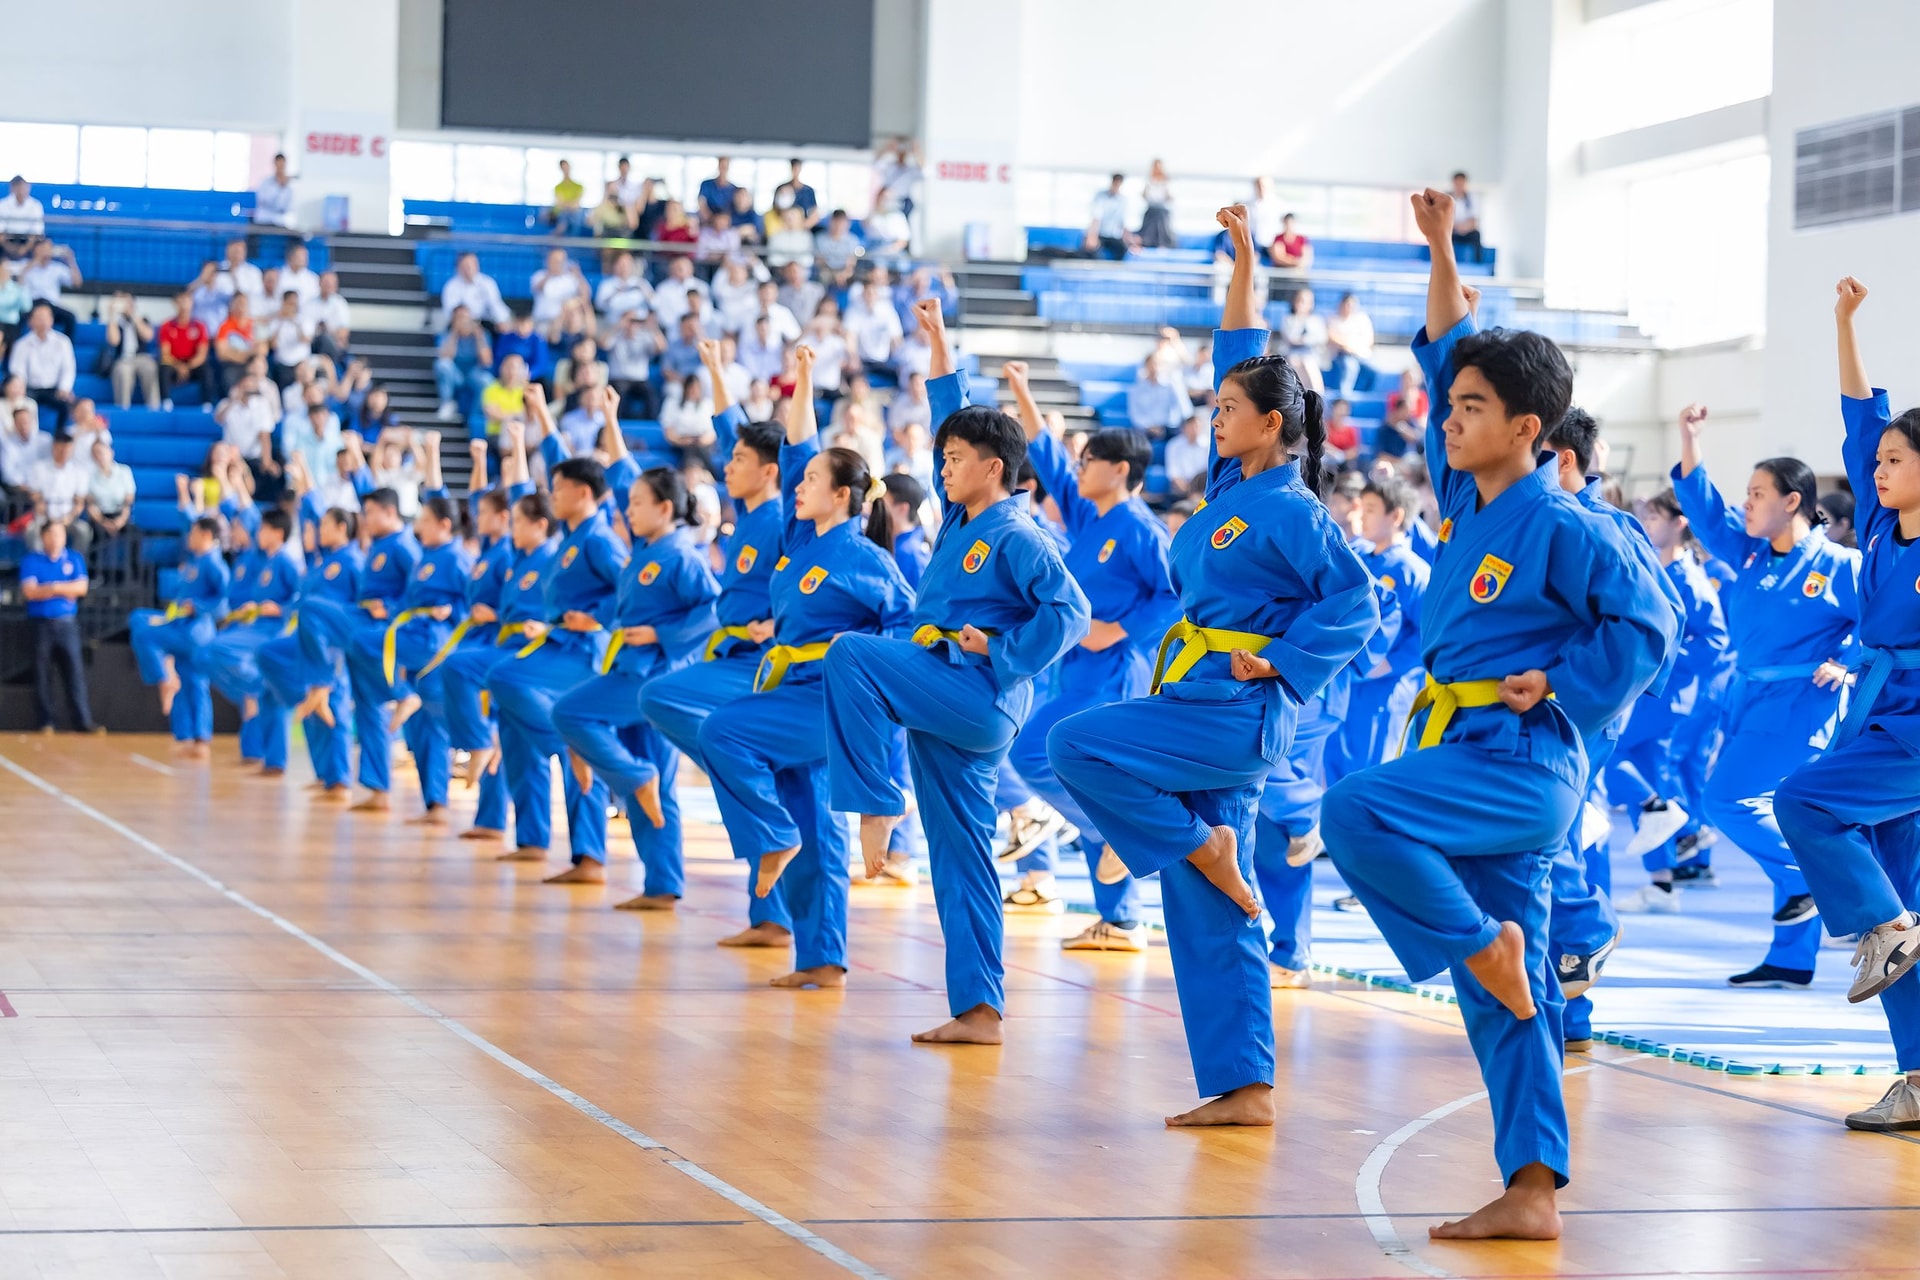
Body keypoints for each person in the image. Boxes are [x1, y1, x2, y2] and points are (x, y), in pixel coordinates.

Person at [1319, 188, 1675, 1241]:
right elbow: (1450, 345)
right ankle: (1532, 1187)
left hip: (1522, 759)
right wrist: (1439, 245)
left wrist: (1560, 683)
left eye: (1474, 406)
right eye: (1453, 403)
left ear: (1529, 428)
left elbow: (1646, 627)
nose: (1452, 414)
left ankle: (1477, 942)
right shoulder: (1469, 495)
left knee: (1355, 811)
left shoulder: (1571, 522)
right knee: (1514, 988)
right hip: (1466, 746)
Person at [1045, 205, 1375, 1124]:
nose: (1214, 415)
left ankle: (1200, 847)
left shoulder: (1293, 507)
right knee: (1208, 904)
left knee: (1075, 745)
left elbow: (1357, 601)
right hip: (1198, 700)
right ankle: (1245, 1087)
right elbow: (1238, 341)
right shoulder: (1235, 487)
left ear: (1272, 426)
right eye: (1214, 404)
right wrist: (1241, 262)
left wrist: (1283, 662)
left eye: (1231, 409)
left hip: (1234, 712)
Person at [823, 297, 1090, 1045]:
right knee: (962, 856)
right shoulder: (962, 517)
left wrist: (1001, 654)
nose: (943, 468)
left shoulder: (1016, 531)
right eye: (941, 459)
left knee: (851, 655)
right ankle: (980, 1010)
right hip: (946, 698)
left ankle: (876, 803)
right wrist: (939, 338)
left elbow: (1068, 612)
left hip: (975, 692)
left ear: (994, 470)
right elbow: (954, 407)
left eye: (954, 460)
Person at [693, 344, 915, 985]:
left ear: (842, 496)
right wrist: (806, 379)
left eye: (813, 481)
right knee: (814, 827)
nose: (798, 487)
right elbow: (797, 449)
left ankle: (768, 836)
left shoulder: (868, 559)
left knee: (722, 730)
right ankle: (821, 959)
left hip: (828, 701)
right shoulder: (796, 540)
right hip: (790, 687)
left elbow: (902, 630)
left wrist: (874, 709)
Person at [1777, 276, 1920, 1133]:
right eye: (1878, 464)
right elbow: (1862, 411)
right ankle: (1917, 1079)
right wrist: (1841, 322)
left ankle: (1880, 924)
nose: (1879, 468)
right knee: (1902, 905)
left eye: (1897, 461)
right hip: (1881, 707)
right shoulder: (1875, 522)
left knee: (1802, 799)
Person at [1672, 398, 1859, 988]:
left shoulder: (1838, 564)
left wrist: (1845, 663)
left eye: (1758, 493)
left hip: (1802, 704)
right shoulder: (1750, 553)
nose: (1747, 503)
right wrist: (1690, 439)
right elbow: (1704, 512)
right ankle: (1791, 957)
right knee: (1783, 813)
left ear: (1793, 502)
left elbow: (1878, 623)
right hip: (1748, 699)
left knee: (1724, 799)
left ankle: (1813, 879)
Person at [999, 362, 1179, 951]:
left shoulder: (1140, 528)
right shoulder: (1090, 517)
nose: (1077, 471)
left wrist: (1121, 629)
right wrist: (1023, 392)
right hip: (1077, 673)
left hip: (1114, 676)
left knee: (1035, 750)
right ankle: (1121, 920)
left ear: (1119, 470)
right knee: (1085, 782)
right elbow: (1047, 460)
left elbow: (1176, 596)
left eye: (1089, 463)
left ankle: (1112, 837)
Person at [638, 357, 811, 947]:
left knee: (662, 697)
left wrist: (779, 626)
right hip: (731, 653)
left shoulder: (785, 517)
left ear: (770, 473)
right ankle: (769, 920)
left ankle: (778, 917)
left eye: (738, 461)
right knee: (732, 758)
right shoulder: (746, 517)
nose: (725, 467)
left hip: (757, 664)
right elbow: (730, 424)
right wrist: (715, 370)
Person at [547, 463, 717, 902]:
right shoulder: (644, 551)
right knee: (656, 782)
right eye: (628, 503)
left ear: (664, 508)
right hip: (632, 670)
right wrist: (597, 619)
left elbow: (712, 611)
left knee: (570, 712)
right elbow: (623, 607)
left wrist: (662, 635)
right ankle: (661, 884)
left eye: (638, 503)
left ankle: (629, 776)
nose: (629, 511)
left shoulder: (681, 555)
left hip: (655, 677)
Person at [485, 456, 627, 869]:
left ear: (583, 493)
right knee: (514, 729)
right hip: (556, 645)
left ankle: (589, 853)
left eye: (558, 488)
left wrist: (597, 615)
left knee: (504, 677)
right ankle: (531, 837)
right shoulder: (571, 537)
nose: (552, 496)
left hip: (584, 653)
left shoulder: (599, 538)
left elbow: (628, 588)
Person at [1609, 485, 1731, 913]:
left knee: (1609, 751)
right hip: (1648, 692)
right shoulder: (1656, 569)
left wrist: (1657, 653)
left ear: (1680, 523)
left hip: (1668, 693)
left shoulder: (1689, 576)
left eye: (1655, 518)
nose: (1646, 525)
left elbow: (1714, 639)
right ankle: (1662, 883)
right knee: (1648, 776)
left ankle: (1671, 819)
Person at [256, 506, 361, 796]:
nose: (319, 531)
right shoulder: (321, 563)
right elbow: (300, 602)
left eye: (325, 525)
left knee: (333, 701)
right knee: (268, 653)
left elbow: (364, 604)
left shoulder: (352, 560)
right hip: (305, 639)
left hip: (331, 644)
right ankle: (324, 772)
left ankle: (339, 779)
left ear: (341, 527)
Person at [131, 516, 232, 758]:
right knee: (191, 682)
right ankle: (189, 737)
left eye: (194, 532)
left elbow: (223, 604)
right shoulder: (194, 562)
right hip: (180, 626)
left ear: (207, 535)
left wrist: (196, 607)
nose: (189, 537)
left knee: (146, 634)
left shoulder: (214, 564)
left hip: (195, 633)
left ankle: (163, 678)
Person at [21, 519, 95, 734]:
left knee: (75, 673)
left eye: (60, 535)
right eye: (51, 534)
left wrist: (50, 587)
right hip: (41, 624)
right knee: (42, 674)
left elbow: (81, 588)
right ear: (43, 537)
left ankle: (82, 721)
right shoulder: (31, 561)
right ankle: (46, 721)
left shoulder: (74, 558)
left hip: (67, 624)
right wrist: (63, 589)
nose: (56, 539)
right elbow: (30, 591)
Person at [26, 430, 92, 555]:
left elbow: (79, 502)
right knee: (32, 531)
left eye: (67, 449)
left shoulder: (79, 472)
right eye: (60, 449)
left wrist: (69, 517)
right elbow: (35, 495)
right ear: (54, 447)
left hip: (68, 518)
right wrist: (46, 514)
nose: (64, 453)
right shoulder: (39, 468)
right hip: (44, 517)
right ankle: (41, 565)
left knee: (84, 531)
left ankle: (75, 566)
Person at [10, 302, 75, 428]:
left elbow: (68, 368)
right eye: (39, 318)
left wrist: (64, 388)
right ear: (31, 321)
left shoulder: (63, 342)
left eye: (46, 317)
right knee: (18, 405)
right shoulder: (21, 344)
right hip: (29, 389)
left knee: (66, 406)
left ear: (52, 320)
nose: (43, 321)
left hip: (54, 390)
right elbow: (17, 370)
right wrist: (20, 389)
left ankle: (59, 438)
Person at [434, 305, 493, 421]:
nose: (463, 321)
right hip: (456, 374)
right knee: (443, 365)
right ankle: (447, 403)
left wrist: (479, 337)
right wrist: (455, 333)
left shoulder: (482, 335)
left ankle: (475, 416)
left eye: (466, 317)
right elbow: (445, 357)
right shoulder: (446, 335)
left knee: (487, 381)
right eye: (459, 318)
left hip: (474, 373)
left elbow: (487, 361)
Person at [21, 239, 81, 334]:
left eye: (49, 248)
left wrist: (71, 260)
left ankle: (67, 347)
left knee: (70, 318)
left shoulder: (56, 267)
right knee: (15, 318)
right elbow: (19, 284)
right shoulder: (27, 266)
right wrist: (35, 262)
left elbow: (77, 282)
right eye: (43, 248)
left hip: (51, 306)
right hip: (32, 305)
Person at [440, 253, 512, 330]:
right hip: (460, 323)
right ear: (459, 267)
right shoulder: (451, 286)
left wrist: (502, 320)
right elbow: (450, 310)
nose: (469, 268)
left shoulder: (487, 283)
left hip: (483, 322)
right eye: (466, 265)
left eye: (472, 264)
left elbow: (496, 304)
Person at [84, 436, 135, 542]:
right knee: (95, 534)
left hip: (120, 514)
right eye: (96, 453)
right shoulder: (89, 475)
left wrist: (121, 520)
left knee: (135, 534)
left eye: (103, 452)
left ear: (111, 452)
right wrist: (103, 522)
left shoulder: (124, 471)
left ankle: (133, 559)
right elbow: (91, 504)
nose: (100, 456)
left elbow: (128, 500)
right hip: (100, 517)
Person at [1325, 294, 1374, 396]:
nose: (1350, 307)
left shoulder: (1362, 318)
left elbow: (1369, 340)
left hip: (1361, 354)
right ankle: (1344, 398)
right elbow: (1332, 337)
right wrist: (1347, 346)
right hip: (1342, 355)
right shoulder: (1333, 319)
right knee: (1350, 367)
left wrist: (1354, 347)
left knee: (1373, 371)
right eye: (1348, 304)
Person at [1279, 289, 1326, 396]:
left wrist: (1303, 340)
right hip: (1292, 355)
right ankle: (1301, 396)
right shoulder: (1288, 319)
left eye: (1306, 301)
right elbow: (1291, 339)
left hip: (1312, 355)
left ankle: (1319, 395)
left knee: (1307, 362)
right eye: (1299, 300)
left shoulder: (1316, 320)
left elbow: (1321, 338)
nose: (1301, 304)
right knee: (1295, 361)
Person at [1164, 414, 1209, 500]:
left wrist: (1197, 490)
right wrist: (1187, 490)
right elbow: (1173, 473)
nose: (1194, 430)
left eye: (1197, 426)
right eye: (1191, 426)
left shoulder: (1208, 445)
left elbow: (1208, 470)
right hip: (1180, 489)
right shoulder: (1173, 445)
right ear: (1184, 428)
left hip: (1202, 488)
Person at [814, 210, 862, 289]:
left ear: (847, 224)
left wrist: (843, 274)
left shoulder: (853, 240)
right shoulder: (820, 239)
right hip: (827, 271)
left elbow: (851, 263)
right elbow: (820, 262)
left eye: (841, 222)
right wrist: (834, 275)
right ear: (830, 222)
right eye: (836, 222)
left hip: (845, 271)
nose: (838, 226)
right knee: (822, 276)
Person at [0, 175, 46, 258]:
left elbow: (37, 232)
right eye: (18, 187)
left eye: (24, 187)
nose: (21, 190)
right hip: (8, 240)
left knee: (44, 244)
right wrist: (10, 248)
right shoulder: (3, 204)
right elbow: (1, 232)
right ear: (12, 188)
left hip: (29, 240)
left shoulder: (36, 205)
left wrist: (25, 248)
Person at [1137, 160, 1175, 250]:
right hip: (1151, 208)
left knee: (1161, 219)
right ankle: (1145, 243)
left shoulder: (1166, 181)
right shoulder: (1149, 180)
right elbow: (1144, 195)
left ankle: (1163, 244)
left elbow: (1171, 197)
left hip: (1162, 209)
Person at [254, 153, 296, 228]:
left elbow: (287, 208)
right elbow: (264, 201)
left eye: (282, 165)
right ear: (275, 164)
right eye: (279, 164)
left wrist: (283, 186)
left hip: (280, 222)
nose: (281, 167)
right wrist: (279, 187)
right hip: (264, 220)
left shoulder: (289, 188)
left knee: (296, 237)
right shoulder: (265, 182)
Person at [1450, 172, 1483, 264]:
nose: (1459, 185)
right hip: (1453, 230)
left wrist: (1465, 228)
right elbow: (1444, 219)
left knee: (1476, 235)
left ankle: (1478, 264)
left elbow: (1474, 220)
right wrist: (1457, 227)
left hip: (1468, 231)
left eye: (1462, 182)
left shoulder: (1472, 199)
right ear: (1454, 183)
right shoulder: (1448, 199)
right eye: (1457, 182)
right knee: (1445, 236)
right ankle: (1449, 263)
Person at [697, 158, 738, 224]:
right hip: (708, 221)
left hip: (726, 223)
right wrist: (711, 219)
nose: (723, 169)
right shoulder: (706, 184)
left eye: (725, 166)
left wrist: (723, 221)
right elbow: (701, 203)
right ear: (718, 166)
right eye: (722, 166)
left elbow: (735, 209)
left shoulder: (734, 189)